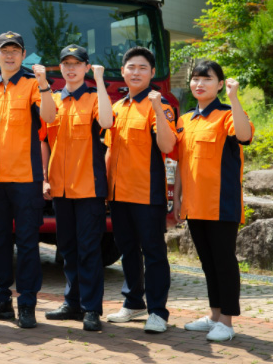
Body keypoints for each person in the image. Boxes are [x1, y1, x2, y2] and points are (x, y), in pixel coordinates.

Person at [173, 60, 253, 342]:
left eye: (207, 79)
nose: (199, 83)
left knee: (223, 261)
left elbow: (244, 136)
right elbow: (182, 163)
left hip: (222, 203)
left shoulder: (227, 114)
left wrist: (234, 98)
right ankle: (214, 315)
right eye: (195, 78)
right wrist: (177, 200)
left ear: (219, 84)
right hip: (194, 204)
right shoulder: (185, 120)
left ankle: (227, 322)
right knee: (207, 262)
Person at [0, 32, 49, 329]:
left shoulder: (32, 85)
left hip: (26, 178)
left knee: (28, 243)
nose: (9, 55)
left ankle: (27, 304)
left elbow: (49, 117)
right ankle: (0, 301)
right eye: (4, 50)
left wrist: (44, 86)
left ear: (23, 55)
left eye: (15, 51)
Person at [36, 44, 113, 332]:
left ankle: (92, 309)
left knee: (89, 250)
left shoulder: (95, 98)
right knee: (67, 249)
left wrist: (101, 82)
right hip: (61, 189)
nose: (71, 68)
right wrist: (45, 177)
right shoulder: (53, 99)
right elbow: (45, 134)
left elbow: (107, 122)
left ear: (86, 67)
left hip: (89, 188)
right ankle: (72, 303)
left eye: (76, 64)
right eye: (66, 63)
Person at [101, 48, 176, 333]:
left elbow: (168, 146)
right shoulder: (117, 107)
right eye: (130, 67)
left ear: (152, 73)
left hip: (147, 193)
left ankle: (158, 311)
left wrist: (157, 109)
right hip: (119, 194)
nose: (135, 72)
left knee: (154, 252)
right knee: (127, 249)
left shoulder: (161, 105)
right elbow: (110, 150)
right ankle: (133, 303)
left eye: (142, 68)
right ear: (122, 71)